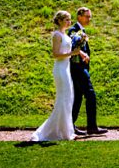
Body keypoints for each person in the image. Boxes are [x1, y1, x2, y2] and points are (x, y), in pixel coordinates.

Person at [31, 10, 84, 142]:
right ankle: (52, 132)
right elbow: (55, 54)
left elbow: (69, 50)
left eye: (70, 19)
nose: (69, 22)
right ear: (60, 21)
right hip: (60, 69)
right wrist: (72, 53)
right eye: (66, 19)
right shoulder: (56, 35)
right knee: (63, 98)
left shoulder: (65, 35)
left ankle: (67, 131)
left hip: (66, 68)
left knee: (68, 98)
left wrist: (79, 51)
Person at [67, 7, 108, 136]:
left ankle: (71, 126)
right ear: (79, 16)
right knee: (90, 94)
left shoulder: (80, 31)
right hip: (78, 68)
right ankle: (92, 126)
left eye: (90, 17)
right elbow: (72, 47)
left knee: (78, 98)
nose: (89, 19)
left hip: (81, 68)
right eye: (87, 16)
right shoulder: (74, 31)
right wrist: (82, 53)